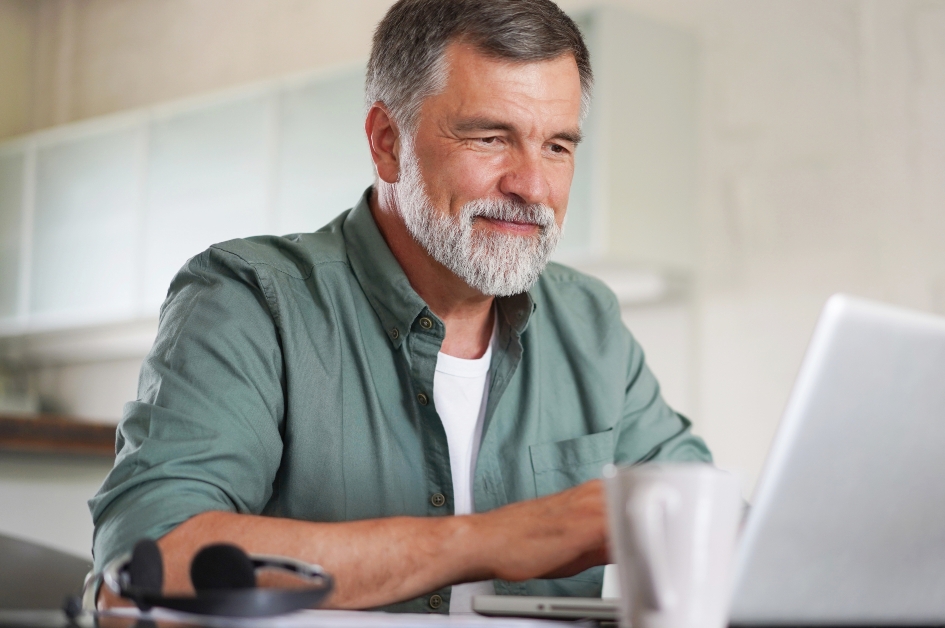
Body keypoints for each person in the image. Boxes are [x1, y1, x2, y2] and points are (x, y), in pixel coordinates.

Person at [88, 0, 711, 614]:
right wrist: (500, 538)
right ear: (387, 141)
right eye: (491, 137)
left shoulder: (590, 320)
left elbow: (709, 514)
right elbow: (148, 563)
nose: (534, 186)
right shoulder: (249, 300)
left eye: (557, 146)